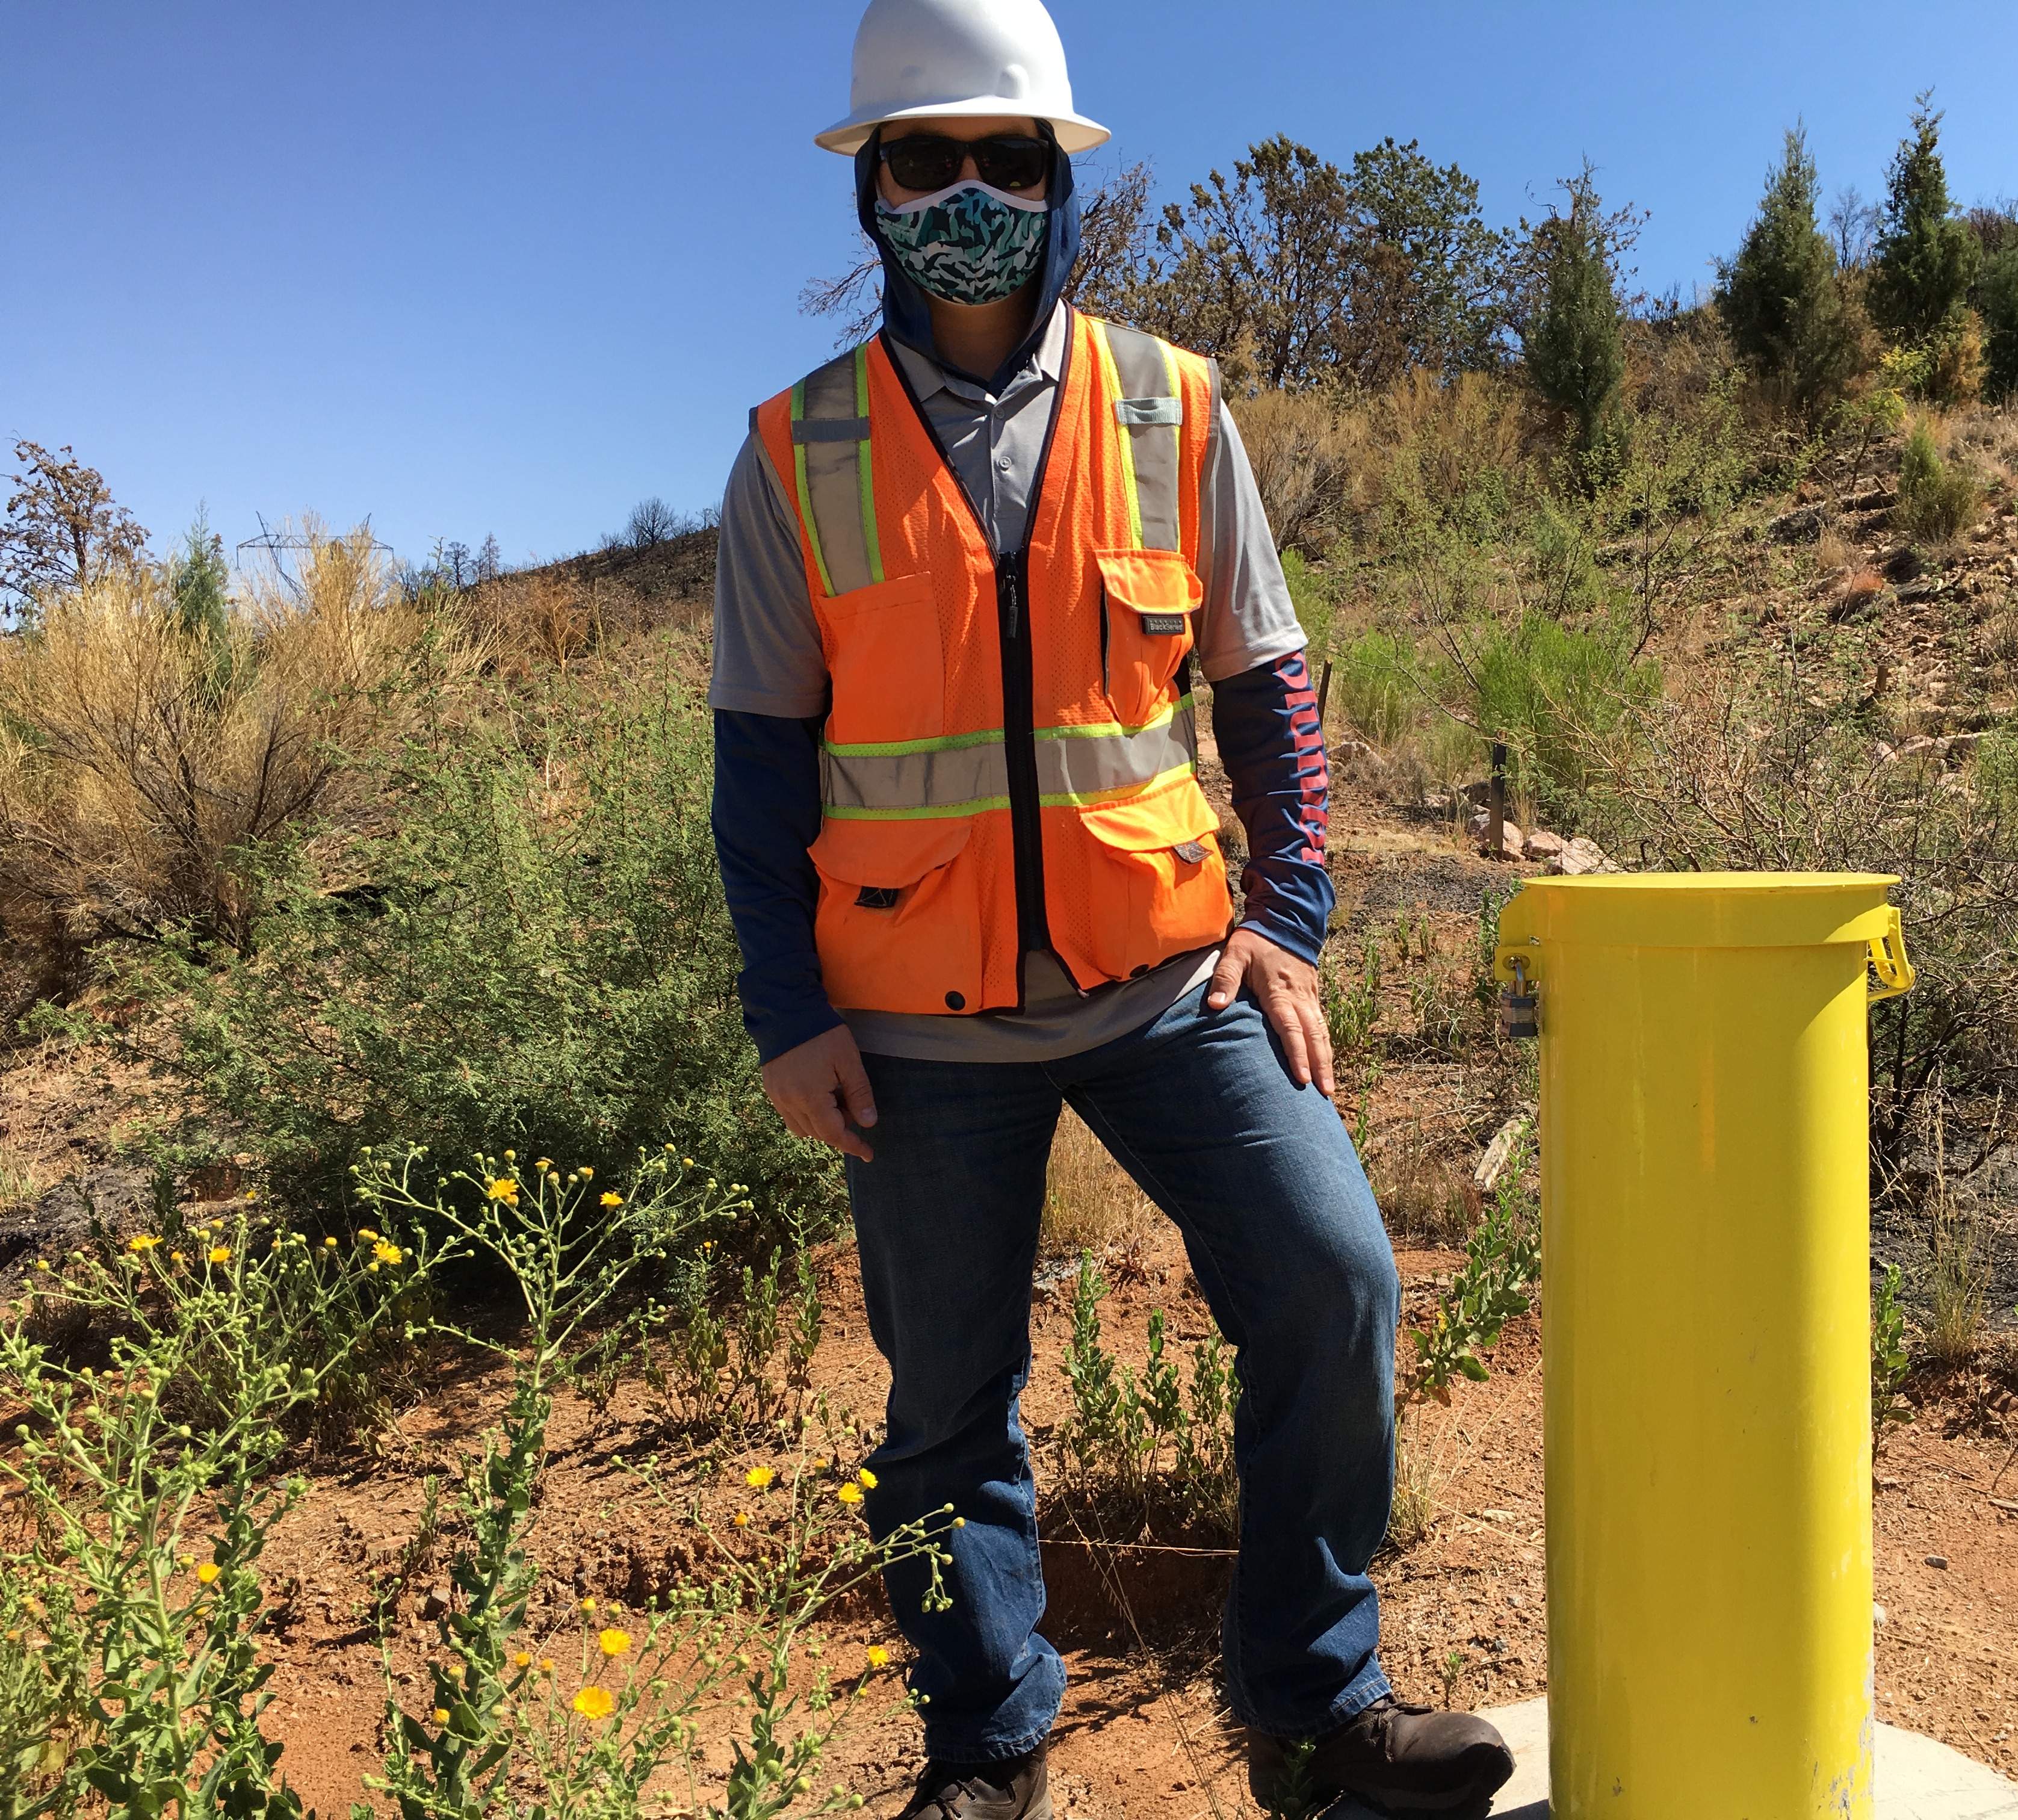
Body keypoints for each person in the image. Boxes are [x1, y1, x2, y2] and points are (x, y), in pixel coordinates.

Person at [708, 3, 1515, 1815]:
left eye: (1013, 155)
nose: (973, 192)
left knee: (1335, 1281)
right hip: (911, 1024)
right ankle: (987, 1753)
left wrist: (1289, 921)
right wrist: (790, 1008)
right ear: (874, 189)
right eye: (930, 158)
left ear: (1062, 171)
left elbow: (1270, 689)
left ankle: (1313, 1716)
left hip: (1170, 982)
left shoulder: (1174, 404)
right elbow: (758, 770)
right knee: (943, 1411)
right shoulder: (794, 454)